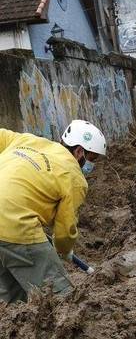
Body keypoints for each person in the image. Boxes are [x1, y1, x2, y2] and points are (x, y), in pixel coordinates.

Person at [0, 120, 107, 303]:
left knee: (9, 300)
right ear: (79, 151)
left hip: (10, 224)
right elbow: (65, 232)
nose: (91, 165)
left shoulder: (27, 140)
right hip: (17, 227)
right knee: (61, 300)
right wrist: (64, 250)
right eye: (92, 159)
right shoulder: (75, 178)